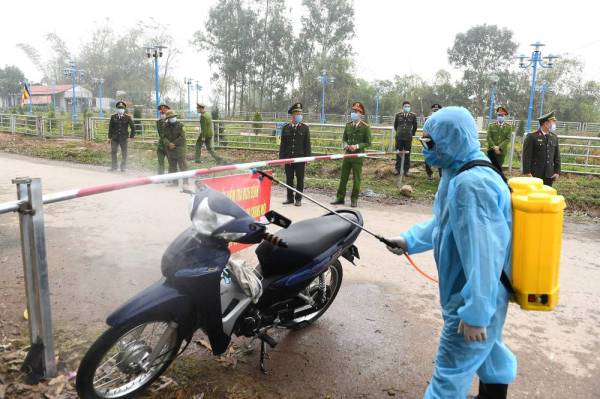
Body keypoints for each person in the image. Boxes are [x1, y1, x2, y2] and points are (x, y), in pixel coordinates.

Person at [385, 106, 516, 399]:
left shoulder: (472, 184)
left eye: (430, 142)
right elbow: (445, 223)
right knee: (490, 353)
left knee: (448, 376)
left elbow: (485, 255)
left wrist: (475, 313)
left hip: (473, 299)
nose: (425, 147)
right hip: (477, 297)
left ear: (451, 139)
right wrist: (409, 241)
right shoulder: (459, 171)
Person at [331, 102, 372, 208]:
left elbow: (368, 142)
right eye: (353, 111)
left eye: (356, 112)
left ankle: (354, 199)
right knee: (343, 177)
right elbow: (344, 138)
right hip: (347, 155)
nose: (353, 113)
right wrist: (345, 145)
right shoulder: (348, 125)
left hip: (358, 156)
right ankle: (340, 198)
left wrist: (357, 146)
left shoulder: (365, 127)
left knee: (356, 179)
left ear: (361, 114)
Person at [279, 102, 311, 206]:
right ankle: (289, 198)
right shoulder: (286, 128)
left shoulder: (305, 128)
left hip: (300, 158)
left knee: (300, 179)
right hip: (288, 157)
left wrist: (307, 158)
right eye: (297, 114)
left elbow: (307, 144)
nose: (299, 116)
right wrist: (281, 159)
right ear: (292, 115)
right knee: (289, 178)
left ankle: (298, 199)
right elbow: (282, 145)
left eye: (300, 113)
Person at [522, 111, 561, 186]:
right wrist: (527, 172)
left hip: (549, 175)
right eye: (552, 122)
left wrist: (557, 172)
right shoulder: (532, 136)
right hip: (535, 174)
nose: (554, 124)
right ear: (545, 123)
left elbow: (557, 157)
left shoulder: (554, 137)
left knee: (547, 195)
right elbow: (526, 156)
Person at [162, 109, 189, 187]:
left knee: (183, 166)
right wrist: (168, 144)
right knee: (172, 167)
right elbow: (163, 137)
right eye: (170, 117)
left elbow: (182, 137)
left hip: (180, 149)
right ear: (168, 119)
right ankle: (175, 182)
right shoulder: (165, 126)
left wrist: (173, 143)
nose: (172, 118)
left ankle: (185, 182)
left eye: (173, 116)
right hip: (170, 150)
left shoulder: (180, 126)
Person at [108, 101, 136, 172]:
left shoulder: (128, 117)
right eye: (119, 108)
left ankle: (123, 167)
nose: (120, 109)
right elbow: (110, 128)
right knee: (113, 151)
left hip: (123, 138)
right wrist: (109, 137)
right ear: (117, 109)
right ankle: (114, 166)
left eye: (122, 108)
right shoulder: (113, 117)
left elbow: (133, 127)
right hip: (115, 138)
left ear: (124, 109)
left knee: (124, 152)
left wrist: (131, 136)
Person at [393, 100, 418, 176]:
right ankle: (397, 169)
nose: (407, 107)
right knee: (398, 153)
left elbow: (415, 126)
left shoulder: (413, 115)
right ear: (402, 107)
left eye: (408, 106)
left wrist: (412, 134)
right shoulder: (398, 115)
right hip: (399, 137)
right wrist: (399, 132)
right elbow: (395, 125)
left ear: (410, 107)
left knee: (407, 154)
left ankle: (406, 170)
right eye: (405, 106)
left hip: (408, 137)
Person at [486, 106, 513, 170]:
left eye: (502, 115)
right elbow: (488, 137)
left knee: (498, 168)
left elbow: (508, 139)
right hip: (491, 150)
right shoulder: (491, 126)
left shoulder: (509, 127)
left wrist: (499, 147)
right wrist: (494, 147)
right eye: (499, 115)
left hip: (501, 151)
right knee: (489, 167)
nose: (500, 117)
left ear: (505, 116)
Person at [425, 103, 443, 180]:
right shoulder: (428, 119)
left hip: (440, 142)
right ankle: (429, 175)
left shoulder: (443, 119)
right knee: (428, 158)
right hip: (430, 141)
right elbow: (425, 130)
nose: (435, 111)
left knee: (441, 158)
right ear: (432, 111)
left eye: (437, 110)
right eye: (434, 110)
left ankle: (442, 176)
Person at [156, 104, 170, 175]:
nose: (162, 115)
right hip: (161, 145)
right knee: (160, 162)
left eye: (164, 113)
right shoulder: (158, 122)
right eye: (161, 113)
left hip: (169, 146)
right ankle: (160, 177)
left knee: (171, 163)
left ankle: (171, 178)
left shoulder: (172, 122)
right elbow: (161, 134)